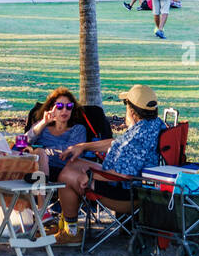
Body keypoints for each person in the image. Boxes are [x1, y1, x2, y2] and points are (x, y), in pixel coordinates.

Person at [52, 85, 167, 244]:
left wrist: (91, 176)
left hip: (126, 192)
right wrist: (84, 146)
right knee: (74, 163)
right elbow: (117, 143)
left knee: (67, 175)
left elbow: (124, 174)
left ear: (132, 112)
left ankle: (71, 232)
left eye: (126, 105)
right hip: (132, 183)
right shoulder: (151, 125)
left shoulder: (138, 138)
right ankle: (66, 227)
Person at [24, 87, 93, 181]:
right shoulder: (41, 126)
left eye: (69, 106)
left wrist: (42, 153)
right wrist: (43, 122)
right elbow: (21, 143)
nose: (64, 110)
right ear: (51, 108)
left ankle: (41, 193)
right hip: (33, 167)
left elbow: (68, 151)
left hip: (62, 171)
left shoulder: (78, 129)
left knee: (39, 153)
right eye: (59, 106)